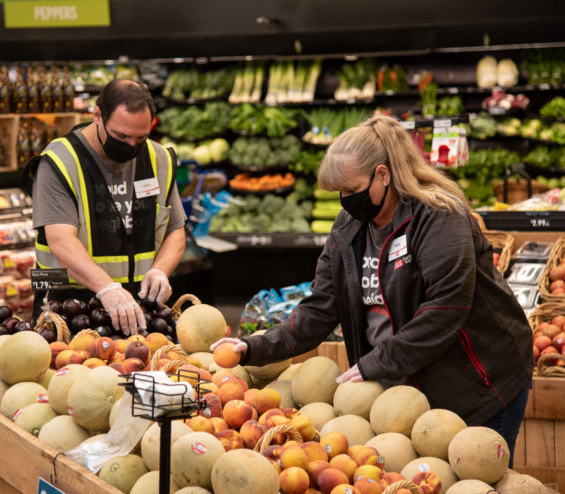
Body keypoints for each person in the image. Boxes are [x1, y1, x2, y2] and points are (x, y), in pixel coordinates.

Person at [212, 115, 533, 464]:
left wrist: (374, 363)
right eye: (339, 192)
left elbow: (445, 308)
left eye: (351, 190)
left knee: (476, 478)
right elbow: (320, 308)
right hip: (402, 393)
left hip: (479, 382)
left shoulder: (439, 217)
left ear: (383, 175)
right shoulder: (349, 228)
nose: (345, 200)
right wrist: (252, 346)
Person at [27, 79, 186, 335]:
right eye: (121, 136)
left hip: (137, 309)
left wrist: (160, 271)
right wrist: (108, 289)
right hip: (69, 308)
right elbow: (60, 240)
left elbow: (175, 230)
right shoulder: (59, 161)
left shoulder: (159, 159)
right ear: (97, 115)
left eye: (141, 137)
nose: (131, 145)